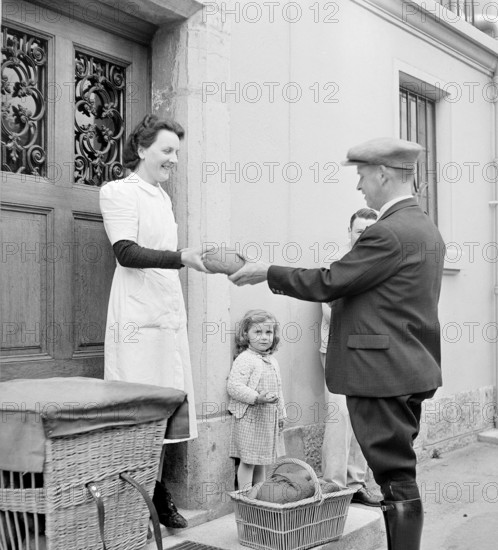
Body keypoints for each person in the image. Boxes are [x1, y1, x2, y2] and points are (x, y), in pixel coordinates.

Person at [229, 138, 444, 550]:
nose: (359, 185)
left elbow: (331, 280)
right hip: (406, 367)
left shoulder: (388, 233)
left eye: (362, 174)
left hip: (381, 373)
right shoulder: (424, 227)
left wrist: (265, 271)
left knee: (396, 480)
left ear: (382, 173)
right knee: (397, 476)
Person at [99, 114, 208, 528]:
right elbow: (126, 252)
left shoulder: (161, 197)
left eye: (177, 152)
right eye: (167, 150)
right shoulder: (117, 193)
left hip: (165, 312)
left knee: (165, 405)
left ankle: (157, 490)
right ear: (142, 149)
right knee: (138, 406)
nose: (173, 159)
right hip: (136, 317)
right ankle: (134, 499)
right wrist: (181, 257)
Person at [319, 208, 381, 507]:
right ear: (350, 233)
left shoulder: (381, 265)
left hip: (369, 353)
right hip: (339, 353)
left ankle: (356, 484)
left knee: (363, 419)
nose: (365, 235)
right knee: (340, 416)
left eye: (371, 229)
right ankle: (333, 485)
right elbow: (333, 312)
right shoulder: (338, 265)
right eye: (360, 231)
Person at [227, 309, 286, 491]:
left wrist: (282, 414)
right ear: (246, 334)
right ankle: (245, 494)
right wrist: (257, 397)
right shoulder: (246, 359)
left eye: (268, 332)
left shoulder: (272, 360)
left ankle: (259, 494)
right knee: (249, 460)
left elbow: (279, 390)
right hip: (250, 419)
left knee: (262, 461)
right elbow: (234, 386)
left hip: (267, 419)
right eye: (257, 332)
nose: (264, 337)